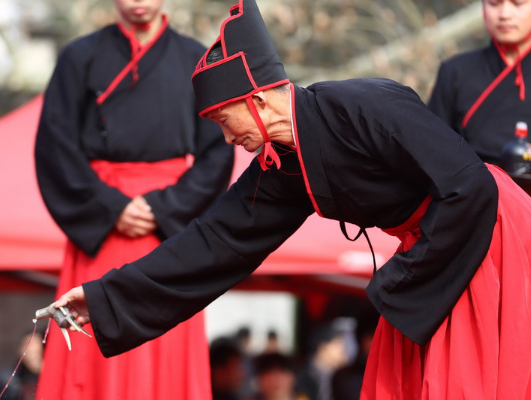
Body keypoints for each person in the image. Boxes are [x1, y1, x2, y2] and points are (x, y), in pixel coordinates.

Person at [51, 0, 531, 398]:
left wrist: (401, 281)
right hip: (430, 246)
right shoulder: (283, 170)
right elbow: (214, 244)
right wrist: (103, 296)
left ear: (257, 101)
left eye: (223, 121)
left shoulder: (365, 103)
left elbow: (469, 185)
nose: (224, 139)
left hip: (484, 230)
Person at [33, 0, 233, 397]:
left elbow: (219, 147)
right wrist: (111, 207)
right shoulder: (79, 56)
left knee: (167, 334)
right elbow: (56, 147)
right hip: (102, 224)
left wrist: (163, 208)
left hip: (169, 228)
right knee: (91, 326)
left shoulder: (198, 58)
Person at [428, 0, 531, 168]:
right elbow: (430, 148)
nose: (504, 14)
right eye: (494, 4)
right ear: (483, 8)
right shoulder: (455, 71)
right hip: (472, 189)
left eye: (517, 3)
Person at [331, 310, 380, 400]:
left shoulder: (395, 374)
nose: (380, 344)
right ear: (362, 340)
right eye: (373, 337)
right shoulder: (345, 378)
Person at [0, 330, 43, 400]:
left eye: (39, 345)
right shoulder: (7, 379)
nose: (35, 350)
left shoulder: (52, 376)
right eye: (30, 345)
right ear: (21, 350)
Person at [295, 324, 347, 400]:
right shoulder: (300, 379)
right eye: (337, 343)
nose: (342, 349)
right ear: (322, 348)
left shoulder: (343, 377)